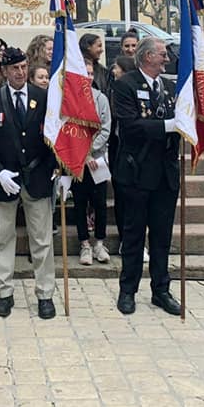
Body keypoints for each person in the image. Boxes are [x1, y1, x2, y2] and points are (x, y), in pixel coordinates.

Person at [0, 46, 57, 319]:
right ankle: (4, 293)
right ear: (4, 71)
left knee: (42, 240)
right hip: (4, 180)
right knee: (2, 238)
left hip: (37, 178)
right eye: (15, 68)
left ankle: (45, 294)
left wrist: (55, 169)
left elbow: (52, 137)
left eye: (24, 67)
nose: (20, 72)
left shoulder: (43, 97)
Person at [113, 37, 181, 316]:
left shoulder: (169, 87)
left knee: (162, 236)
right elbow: (130, 126)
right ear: (147, 56)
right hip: (137, 173)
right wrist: (168, 126)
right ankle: (127, 291)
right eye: (162, 54)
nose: (167, 59)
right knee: (133, 235)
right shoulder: (125, 85)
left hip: (165, 173)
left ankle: (161, 290)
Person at [74, 58, 112, 265]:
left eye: (90, 74)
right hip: (78, 159)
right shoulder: (71, 99)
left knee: (99, 202)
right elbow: (69, 128)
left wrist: (91, 151)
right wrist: (83, 154)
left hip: (97, 158)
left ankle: (99, 242)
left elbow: (105, 128)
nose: (88, 77)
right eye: (84, 73)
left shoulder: (101, 98)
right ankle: (84, 244)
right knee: (80, 201)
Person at [107, 54, 136, 246]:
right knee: (120, 196)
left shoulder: (134, 90)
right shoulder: (111, 91)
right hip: (116, 148)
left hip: (135, 150)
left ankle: (135, 240)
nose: (113, 70)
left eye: (117, 67)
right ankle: (124, 238)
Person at [79, 33, 112, 98]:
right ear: (88, 46)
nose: (102, 50)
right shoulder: (74, 70)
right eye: (99, 46)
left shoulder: (104, 72)